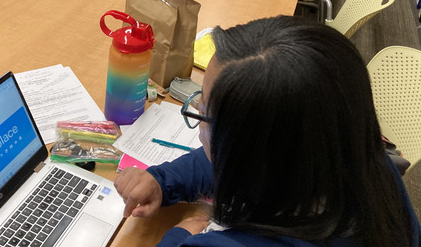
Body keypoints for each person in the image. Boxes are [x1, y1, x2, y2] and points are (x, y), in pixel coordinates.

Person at [114, 16, 420, 246]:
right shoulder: (357, 158)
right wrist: (162, 180)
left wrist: (180, 233)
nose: (198, 121)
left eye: (205, 115)